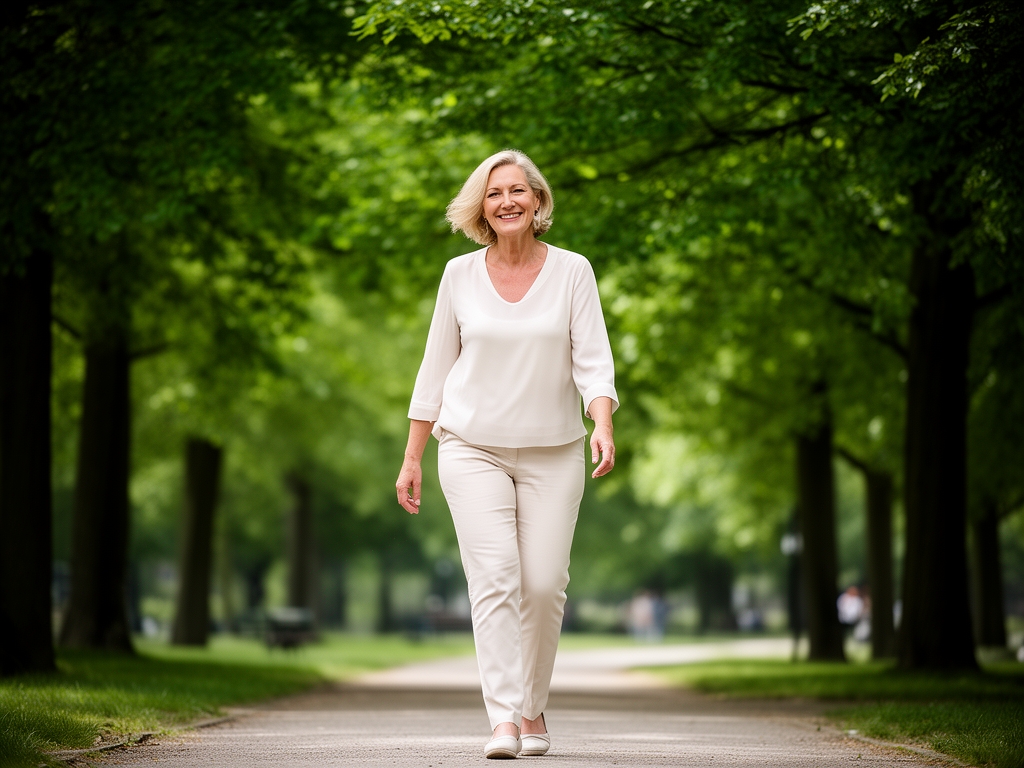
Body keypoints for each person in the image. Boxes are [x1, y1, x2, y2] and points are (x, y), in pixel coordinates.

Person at [396, 149, 618, 759]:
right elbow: (434, 370)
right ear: (481, 208)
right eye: (495, 194)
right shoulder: (458, 275)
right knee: (494, 580)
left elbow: (593, 360)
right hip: (471, 447)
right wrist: (413, 457)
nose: (508, 202)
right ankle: (503, 720)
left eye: (519, 191)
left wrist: (601, 423)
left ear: (538, 201)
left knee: (544, 585)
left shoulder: (574, 271)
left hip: (555, 448)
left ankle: (532, 706)